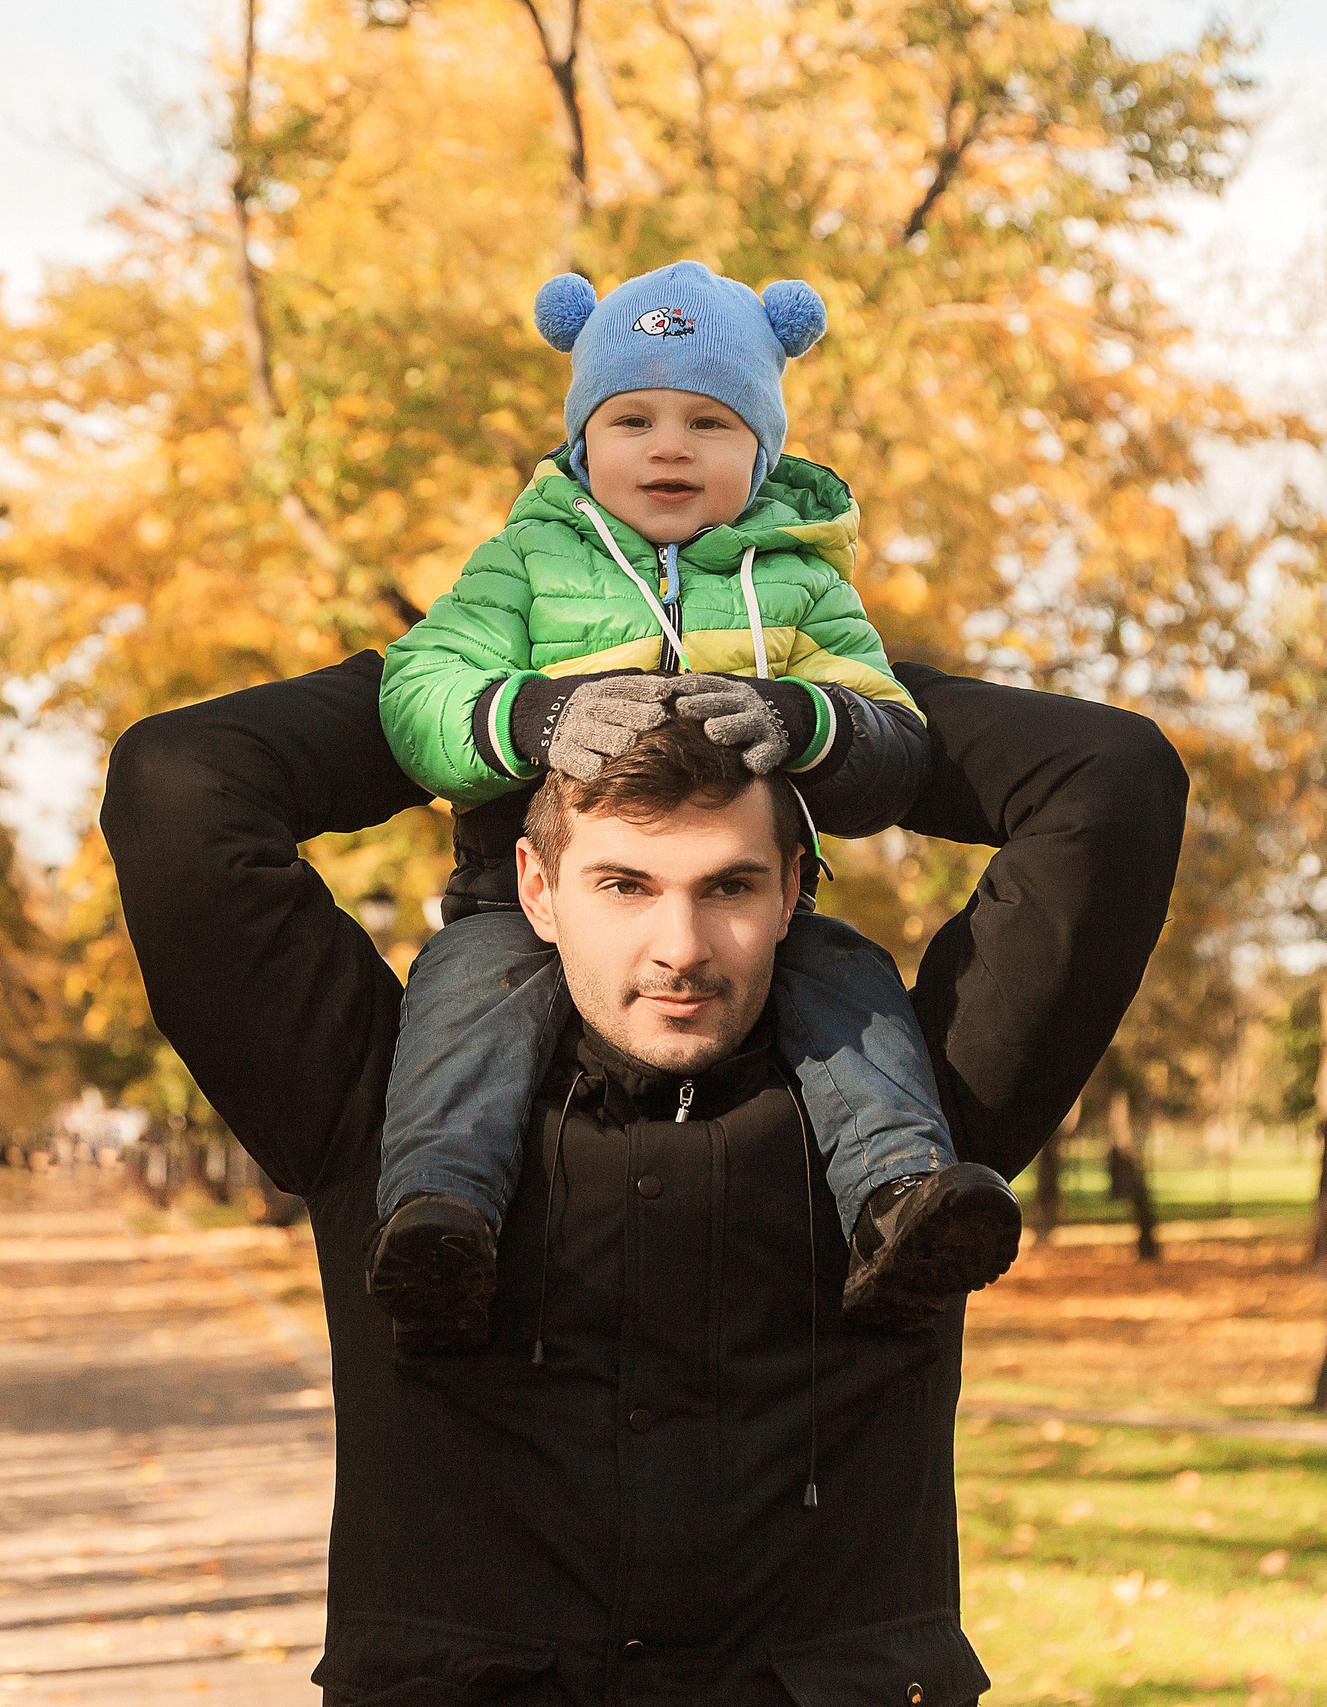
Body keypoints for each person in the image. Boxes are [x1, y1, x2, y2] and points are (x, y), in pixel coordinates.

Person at [101, 648, 1184, 1704]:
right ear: (535, 887)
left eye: (731, 886)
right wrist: (502, 685)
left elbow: (1111, 778)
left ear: (793, 887)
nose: (682, 946)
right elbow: (179, 785)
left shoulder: (916, 1119)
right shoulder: (388, 1104)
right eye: (624, 884)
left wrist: (806, 690)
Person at [372, 259, 1014, 1352]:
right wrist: (533, 717)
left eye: (710, 422)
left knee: (851, 987)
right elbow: (417, 688)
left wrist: (804, 717)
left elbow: (893, 737)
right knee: (462, 997)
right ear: (583, 442)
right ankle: (439, 1214)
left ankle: (899, 1195)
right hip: (524, 900)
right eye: (632, 419)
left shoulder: (802, 581)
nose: (669, 447)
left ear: (762, 449)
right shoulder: (525, 561)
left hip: (749, 896)